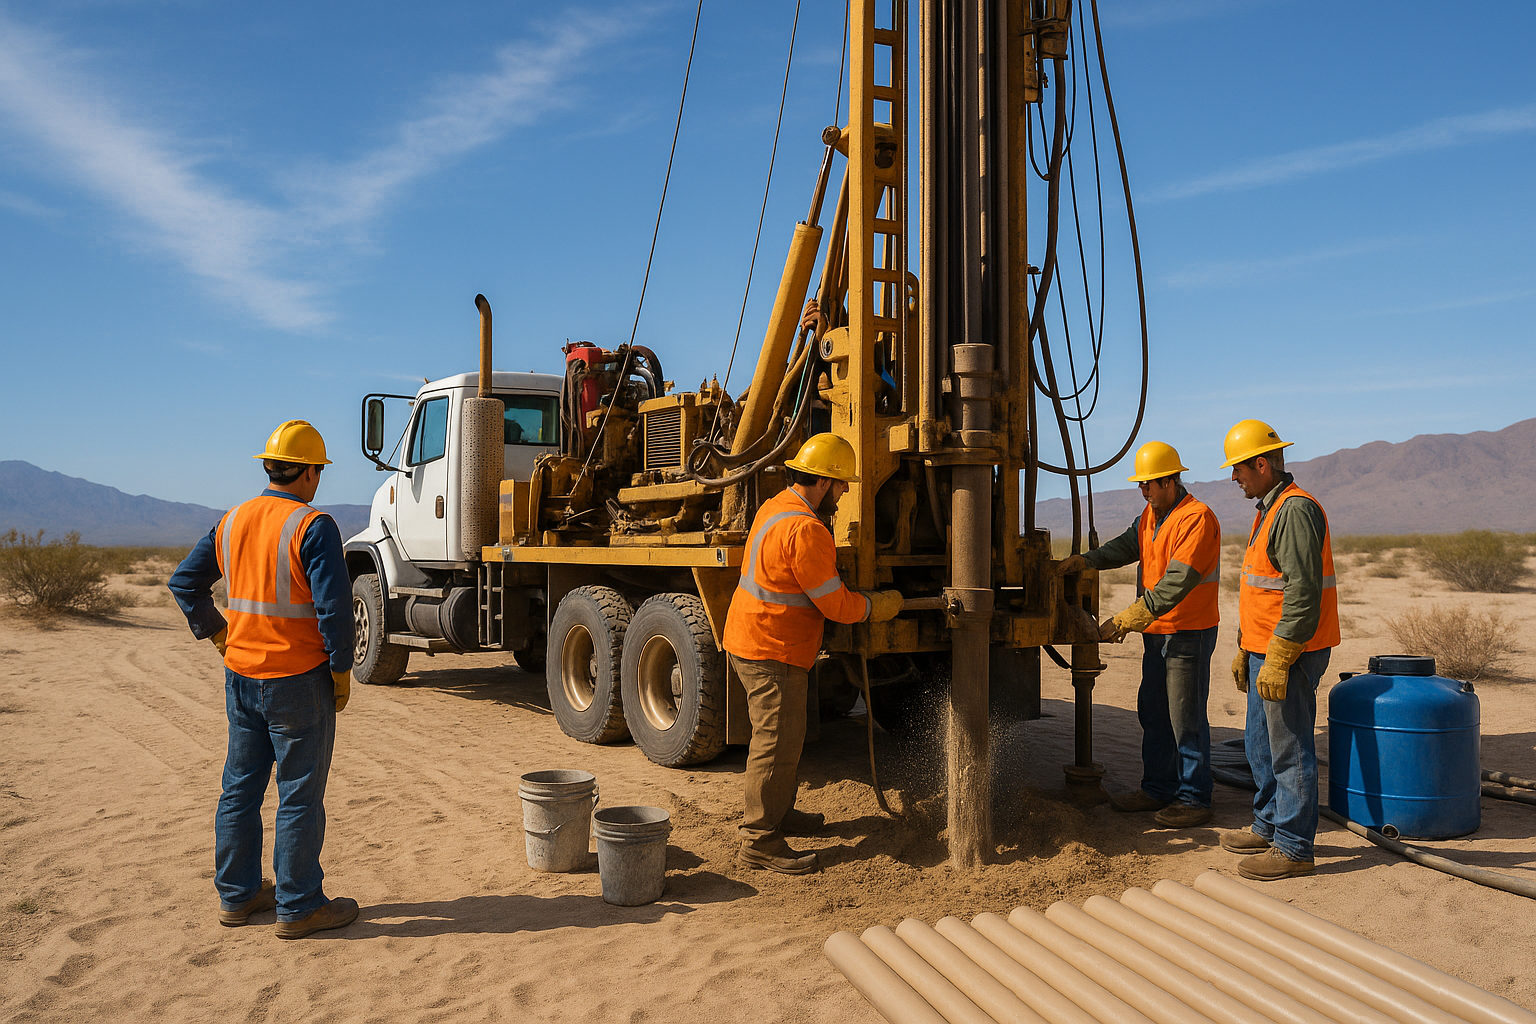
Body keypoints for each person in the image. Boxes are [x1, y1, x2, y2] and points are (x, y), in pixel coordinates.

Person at [168, 420, 360, 936]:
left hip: (241, 677)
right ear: (310, 472)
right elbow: (335, 610)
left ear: (271, 468)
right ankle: (299, 907)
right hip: (298, 680)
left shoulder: (232, 520)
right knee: (299, 795)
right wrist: (342, 669)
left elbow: (184, 582)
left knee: (239, 790)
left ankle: (238, 896)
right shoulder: (312, 525)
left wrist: (219, 634)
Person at [722, 433, 903, 874]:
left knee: (787, 739)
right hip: (773, 648)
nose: (842, 493)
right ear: (823, 481)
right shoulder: (806, 529)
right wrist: (876, 606)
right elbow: (835, 605)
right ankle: (759, 840)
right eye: (841, 484)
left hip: (755, 639)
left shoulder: (776, 507)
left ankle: (780, 813)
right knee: (774, 745)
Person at [1056, 441, 1222, 829]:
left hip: (1187, 633)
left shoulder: (1196, 519)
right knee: (1154, 712)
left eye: (1149, 483)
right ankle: (1158, 789)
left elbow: (1175, 583)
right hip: (1157, 632)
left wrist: (1127, 618)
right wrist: (1087, 561)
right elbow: (1125, 547)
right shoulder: (1149, 516)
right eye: (1141, 484)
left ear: (1170, 481)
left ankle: (1194, 798)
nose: (1143, 490)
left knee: (1185, 719)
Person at [1219, 419, 1339, 881]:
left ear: (1262, 464)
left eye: (1239, 468)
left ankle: (1293, 847)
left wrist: (1280, 655)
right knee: (1259, 744)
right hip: (1263, 650)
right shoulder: (1269, 509)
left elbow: (1302, 594)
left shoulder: (1294, 510)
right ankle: (1268, 824)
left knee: (1289, 749)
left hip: (1290, 652)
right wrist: (1245, 648)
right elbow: (1262, 590)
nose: (1234, 477)